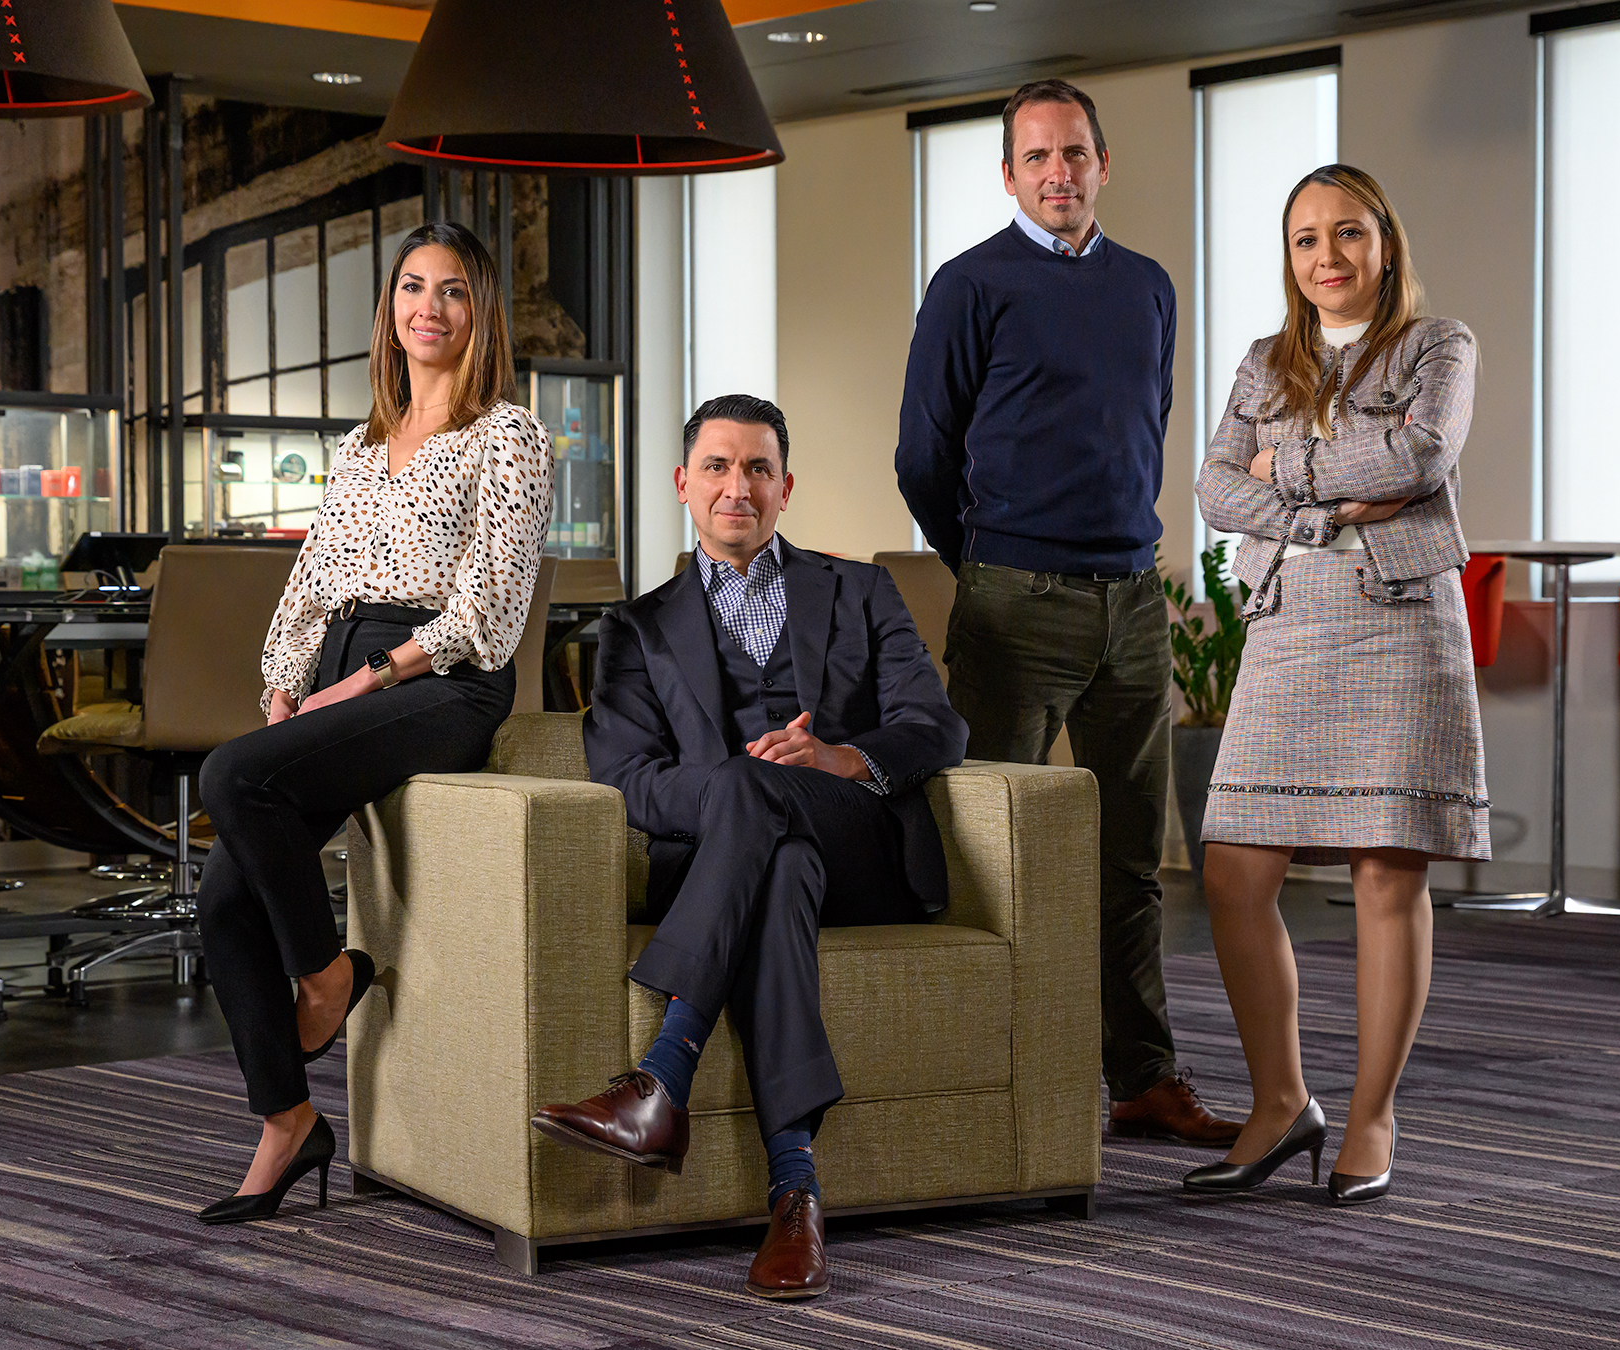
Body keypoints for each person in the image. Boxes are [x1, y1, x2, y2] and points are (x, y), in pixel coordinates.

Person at [534, 394, 967, 1301]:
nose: (740, 486)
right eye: (720, 468)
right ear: (685, 486)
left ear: (786, 487)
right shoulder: (635, 629)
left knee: (788, 828)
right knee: (779, 859)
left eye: (759, 468)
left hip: (862, 847)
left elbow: (936, 725)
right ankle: (796, 1190)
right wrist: (744, 790)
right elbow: (629, 779)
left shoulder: (859, 590)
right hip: (745, 861)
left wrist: (841, 758)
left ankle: (661, 1079)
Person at [895, 78, 1238, 1149]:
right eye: (1036, 158)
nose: (1058, 174)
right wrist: (991, 561)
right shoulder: (969, 286)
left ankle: (1141, 1076)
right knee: (987, 850)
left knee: (1130, 856)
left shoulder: (1149, 288)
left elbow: (1148, 429)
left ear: (1102, 164)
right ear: (1008, 175)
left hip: (1135, 603)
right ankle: (972, 1078)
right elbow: (921, 458)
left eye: (1075, 154)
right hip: (1013, 606)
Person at [190, 221, 552, 1225]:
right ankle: (288, 1125)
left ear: (480, 314)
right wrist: (281, 679)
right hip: (346, 661)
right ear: (388, 309)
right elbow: (311, 584)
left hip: (443, 676)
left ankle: (329, 973)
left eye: (452, 292)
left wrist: (373, 678)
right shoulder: (358, 446)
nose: (428, 309)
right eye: (411, 289)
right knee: (222, 902)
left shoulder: (506, 435)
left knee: (230, 779)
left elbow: (493, 607)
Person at [1187, 164, 1484, 1206]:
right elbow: (1215, 486)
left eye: (1348, 234)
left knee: (1383, 876)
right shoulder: (1267, 361)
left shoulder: (1438, 345)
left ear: (1386, 244)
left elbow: (1420, 454)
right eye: (1307, 240)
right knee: (1232, 872)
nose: (1328, 258)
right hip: (1288, 628)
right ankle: (1281, 1105)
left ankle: (1370, 1118)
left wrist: (1289, 465)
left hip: (1399, 624)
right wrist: (1317, 501)